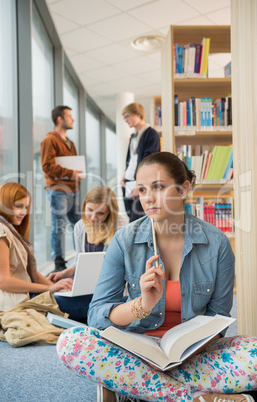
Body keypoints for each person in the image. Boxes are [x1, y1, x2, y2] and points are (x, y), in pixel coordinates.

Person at [57, 152, 257, 402]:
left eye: (159, 187)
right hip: (135, 350)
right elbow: (97, 316)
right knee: (71, 342)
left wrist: (184, 355)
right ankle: (194, 397)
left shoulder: (217, 244)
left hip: (191, 358)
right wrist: (142, 305)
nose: (148, 198)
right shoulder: (125, 240)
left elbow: (218, 321)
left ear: (184, 189)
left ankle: (132, 386)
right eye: (141, 190)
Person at [0, 182, 89, 322]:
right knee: (92, 302)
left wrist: (54, 287)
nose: (23, 212)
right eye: (18, 206)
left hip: (27, 295)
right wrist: (48, 288)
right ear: (4, 203)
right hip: (17, 302)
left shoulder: (8, 228)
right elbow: (3, 281)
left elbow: (28, 271)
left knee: (87, 298)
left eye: (25, 207)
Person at [48, 186, 126, 283]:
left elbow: (124, 266)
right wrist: (62, 274)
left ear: (109, 213)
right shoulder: (80, 226)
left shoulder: (120, 227)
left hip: (111, 283)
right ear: (84, 205)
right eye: (90, 210)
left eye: (100, 213)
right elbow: (79, 264)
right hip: (87, 283)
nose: (93, 217)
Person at [41, 105, 82, 273]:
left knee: (79, 225)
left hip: (73, 189)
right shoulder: (49, 140)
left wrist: (76, 174)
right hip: (58, 189)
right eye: (69, 116)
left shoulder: (70, 143)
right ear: (60, 119)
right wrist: (70, 173)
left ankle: (80, 256)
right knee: (59, 226)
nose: (72, 119)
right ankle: (58, 262)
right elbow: (47, 166)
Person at [120, 102, 160, 222]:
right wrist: (123, 177)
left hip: (138, 184)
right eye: (124, 118)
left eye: (127, 116)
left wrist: (141, 186)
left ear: (138, 115)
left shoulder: (151, 134)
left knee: (136, 221)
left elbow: (149, 163)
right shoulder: (133, 137)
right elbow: (130, 161)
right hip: (127, 183)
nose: (126, 120)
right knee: (130, 218)